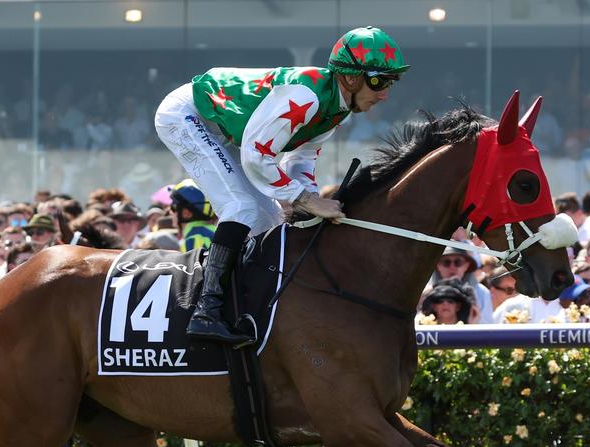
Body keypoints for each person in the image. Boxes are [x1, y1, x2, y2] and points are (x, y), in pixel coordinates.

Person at [155, 26, 409, 344]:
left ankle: (241, 306)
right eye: (378, 80)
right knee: (242, 207)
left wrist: (311, 199)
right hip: (186, 114)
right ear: (350, 77)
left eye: (390, 82)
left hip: (224, 127)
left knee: (270, 219)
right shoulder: (308, 96)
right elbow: (256, 155)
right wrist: (304, 199)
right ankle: (206, 312)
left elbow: (299, 163)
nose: (385, 93)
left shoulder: (338, 109)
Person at [426, 247, 492, 324]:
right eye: (446, 262)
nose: (452, 267)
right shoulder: (425, 293)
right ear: (438, 265)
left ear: (466, 265)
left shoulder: (481, 293)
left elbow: (488, 327)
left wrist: (472, 326)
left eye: (458, 262)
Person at [169, 179, 217, 252]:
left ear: (186, 213)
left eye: (173, 207)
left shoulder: (194, 238)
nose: (170, 212)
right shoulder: (213, 230)